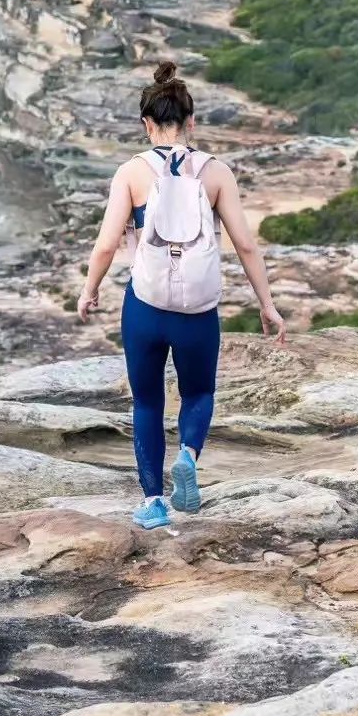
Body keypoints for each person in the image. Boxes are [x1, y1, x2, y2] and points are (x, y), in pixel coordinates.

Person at [77, 60, 286, 529]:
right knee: (199, 392)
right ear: (191, 122)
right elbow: (246, 244)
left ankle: (153, 503)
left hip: (145, 309)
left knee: (147, 402)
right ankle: (188, 455)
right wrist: (267, 305)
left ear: (146, 124)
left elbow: (107, 243)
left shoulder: (131, 173)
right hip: (197, 311)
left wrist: (89, 291)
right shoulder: (216, 173)